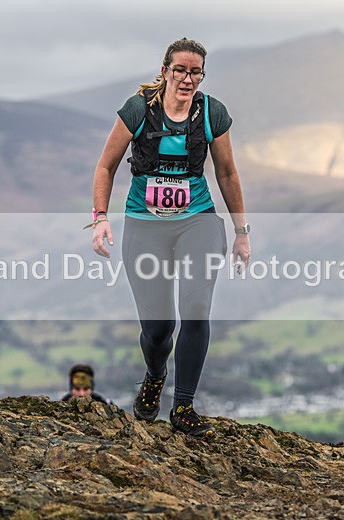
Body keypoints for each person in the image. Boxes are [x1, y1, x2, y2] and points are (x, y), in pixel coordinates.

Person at [88, 37, 250, 438]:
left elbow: (227, 174)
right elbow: (106, 167)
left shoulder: (212, 113)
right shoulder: (139, 109)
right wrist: (101, 218)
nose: (188, 78)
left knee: (196, 307)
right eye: (181, 70)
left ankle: (183, 406)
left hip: (198, 221)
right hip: (145, 226)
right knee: (159, 329)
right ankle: (155, 375)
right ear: (165, 72)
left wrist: (241, 231)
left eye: (196, 72)